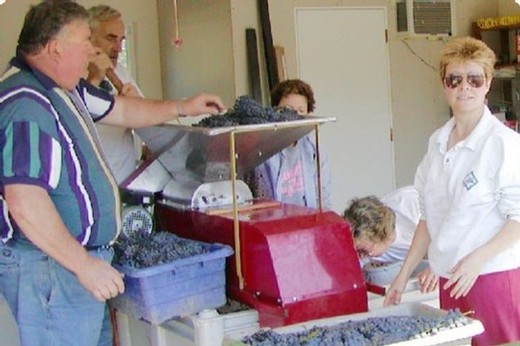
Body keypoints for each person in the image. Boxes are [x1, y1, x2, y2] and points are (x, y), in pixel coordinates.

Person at [0, 2, 224, 346]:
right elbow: (24, 200)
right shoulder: (27, 103)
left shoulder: (63, 86)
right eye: (85, 40)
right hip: (52, 267)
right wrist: (84, 265)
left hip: (73, 265)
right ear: (54, 48)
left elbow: (122, 109)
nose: (92, 50)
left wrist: (183, 106)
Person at [383, 37, 520, 345]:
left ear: (487, 84)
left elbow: (518, 220)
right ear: (444, 85)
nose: (464, 88)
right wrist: (402, 276)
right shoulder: (436, 144)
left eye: (474, 79)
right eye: (454, 79)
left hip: (492, 277)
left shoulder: (504, 145)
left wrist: (476, 261)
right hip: (449, 280)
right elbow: (427, 219)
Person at [249, 79, 332, 209]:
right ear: (275, 110)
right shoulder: (263, 151)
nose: (294, 115)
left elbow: (323, 196)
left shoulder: (315, 149)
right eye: (287, 109)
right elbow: (260, 200)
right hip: (276, 223)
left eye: (300, 110)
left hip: (308, 220)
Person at [87, 5, 144, 184]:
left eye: (121, 40)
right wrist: (94, 80)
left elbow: (144, 116)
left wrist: (136, 104)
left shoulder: (122, 72)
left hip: (124, 183)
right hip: (89, 183)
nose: (118, 48)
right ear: (88, 37)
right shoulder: (70, 75)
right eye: (111, 38)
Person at [344, 186, 438, 291]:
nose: (359, 256)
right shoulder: (364, 249)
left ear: (381, 236)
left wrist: (438, 265)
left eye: (363, 251)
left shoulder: (410, 203)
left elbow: (455, 226)